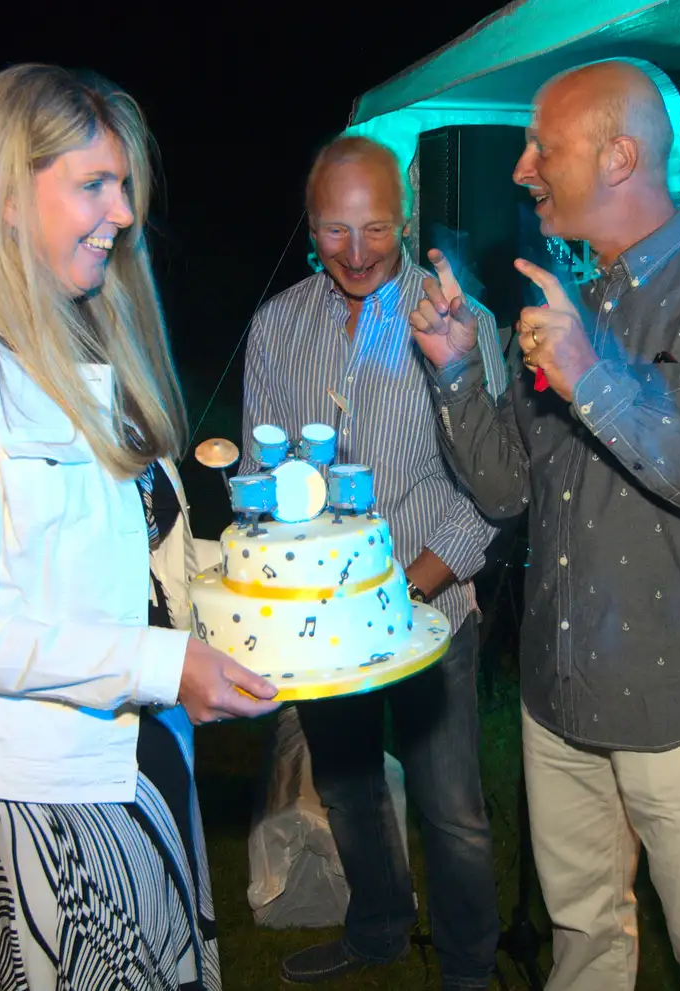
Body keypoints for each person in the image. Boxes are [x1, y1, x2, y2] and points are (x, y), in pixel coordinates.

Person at [0, 64, 280, 991]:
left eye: (123, 185)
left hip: (147, 754)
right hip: (46, 794)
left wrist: (265, 596)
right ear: (6, 196)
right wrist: (165, 666)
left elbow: (137, 553)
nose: (123, 212)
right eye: (93, 183)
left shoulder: (86, 346)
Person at [412, 59, 680, 991]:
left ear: (620, 155)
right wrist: (460, 370)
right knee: (582, 938)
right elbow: (507, 488)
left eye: (545, 145)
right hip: (557, 698)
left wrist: (593, 379)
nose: (521, 167)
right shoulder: (570, 294)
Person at [240, 134, 505, 989]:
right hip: (326, 624)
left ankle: (468, 968)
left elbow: (494, 484)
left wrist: (416, 581)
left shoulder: (461, 320)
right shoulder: (278, 325)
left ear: (407, 216)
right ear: (309, 226)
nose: (356, 254)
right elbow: (256, 472)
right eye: (334, 232)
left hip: (432, 608)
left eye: (377, 230)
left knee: (453, 810)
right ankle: (380, 927)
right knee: (349, 790)